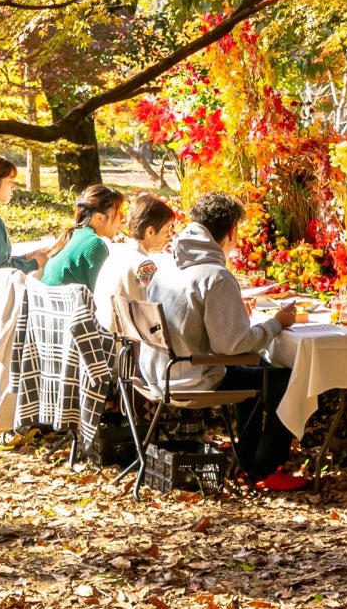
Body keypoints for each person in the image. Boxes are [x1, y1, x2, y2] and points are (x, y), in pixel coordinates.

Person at [143, 192, 307, 491]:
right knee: (284, 378)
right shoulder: (216, 276)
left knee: (257, 375)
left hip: (156, 372)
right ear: (232, 232)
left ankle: (247, 461)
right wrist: (276, 323)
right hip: (190, 375)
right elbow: (233, 346)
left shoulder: (168, 265)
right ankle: (264, 468)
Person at [0, 154, 66, 275]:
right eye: (10, 181)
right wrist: (35, 263)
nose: (13, 186)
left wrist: (26, 257)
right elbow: (0, 273)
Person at [94, 192, 176, 331]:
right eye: (166, 230)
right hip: (126, 345)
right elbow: (153, 310)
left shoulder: (115, 254)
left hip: (102, 336)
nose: (169, 236)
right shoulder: (144, 265)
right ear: (150, 232)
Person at [42, 184, 125, 290]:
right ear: (99, 217)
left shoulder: (72, 235)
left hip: (47, 304)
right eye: (119, 214)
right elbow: (104, 295)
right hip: (70, 305)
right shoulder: (94, 244)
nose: (122, 221)